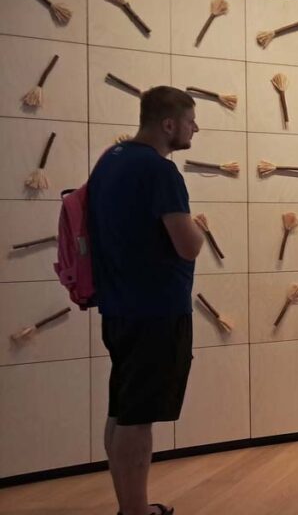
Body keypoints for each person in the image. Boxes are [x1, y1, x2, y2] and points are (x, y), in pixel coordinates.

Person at [89, 86, 204, 515]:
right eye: (190, 121)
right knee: (138, 418)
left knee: (122, 410)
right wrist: (201, 230)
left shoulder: (110, 160)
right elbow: (187, 245)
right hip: (156, 310)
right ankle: (135, 512)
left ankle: (130, 506)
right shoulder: (160, 171)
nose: (195, 128)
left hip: (119, 307)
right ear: (169, 124)